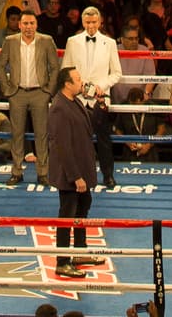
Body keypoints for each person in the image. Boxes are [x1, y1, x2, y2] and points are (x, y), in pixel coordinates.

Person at [47, 66, 100, 279]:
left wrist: (99, 103)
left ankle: (79, 252)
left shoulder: (75, 101)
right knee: (67, 216)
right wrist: (75, 176)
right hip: (69, 173)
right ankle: (62, 262)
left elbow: (87, 126)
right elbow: (62, 146)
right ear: (67, 84)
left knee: (83, 208)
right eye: (77, 79)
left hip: (81, 167)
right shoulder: (59, 107)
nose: (82, 82)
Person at [62, 6, 123, 187]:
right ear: (83, 22)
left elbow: (117, 73)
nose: (91, 26)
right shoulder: (72, 42)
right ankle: (78, 175)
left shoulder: (109, 43)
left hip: (100, 98)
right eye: (88, 22)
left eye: (94, 22)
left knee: (104, 138)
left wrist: (100, 87)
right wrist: (79, 86)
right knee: (77, 139)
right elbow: (66, 70)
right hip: (78, 97)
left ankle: (108, 175)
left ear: (100, 22)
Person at [0, 11, 59, 185]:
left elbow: (55, 67)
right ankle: (16, 171)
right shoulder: (10, 41)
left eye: (32, 23)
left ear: (36, 25)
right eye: (25, 23)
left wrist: (48, 91)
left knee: (42, 134)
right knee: (17, 134)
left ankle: (43, 173)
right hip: (17, 93)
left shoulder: (46, 41)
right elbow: (0, 65)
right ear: (19, 25)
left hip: (40, 93)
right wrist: (7, 89)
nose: (28, 27)